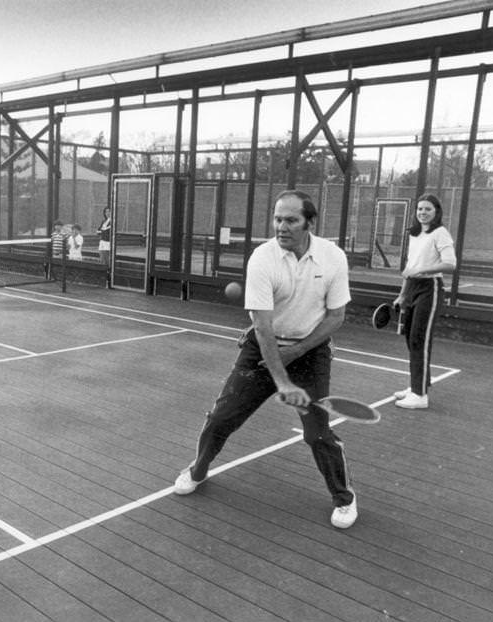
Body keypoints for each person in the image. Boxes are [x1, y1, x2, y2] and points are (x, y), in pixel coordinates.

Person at [173, 190, 358, 529]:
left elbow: (336, 317)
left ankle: (344, 498)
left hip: (311, 351)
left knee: (318, 434)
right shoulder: (262, 258)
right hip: (263, 346)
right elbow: (262, 325)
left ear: (309, 223)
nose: (281, 227)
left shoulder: (333, 257)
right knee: (220, 418)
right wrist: (282, 381)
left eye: (291, 220)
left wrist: (297, 354)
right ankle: (197, 469)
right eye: (277, 219)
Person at [391, 193, 457, 409]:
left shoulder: (441, 233)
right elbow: (410, 267)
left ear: (436, 212)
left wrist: (421, 270)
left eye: (428, 209)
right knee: (411, 339)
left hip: (431, 288)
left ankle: (420, 397)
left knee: (420, 339)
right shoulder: (414, 234)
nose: (423, 212)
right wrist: (402, 294)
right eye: (420, 209)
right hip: (413, 288)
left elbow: (450, 264)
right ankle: (416, 386)